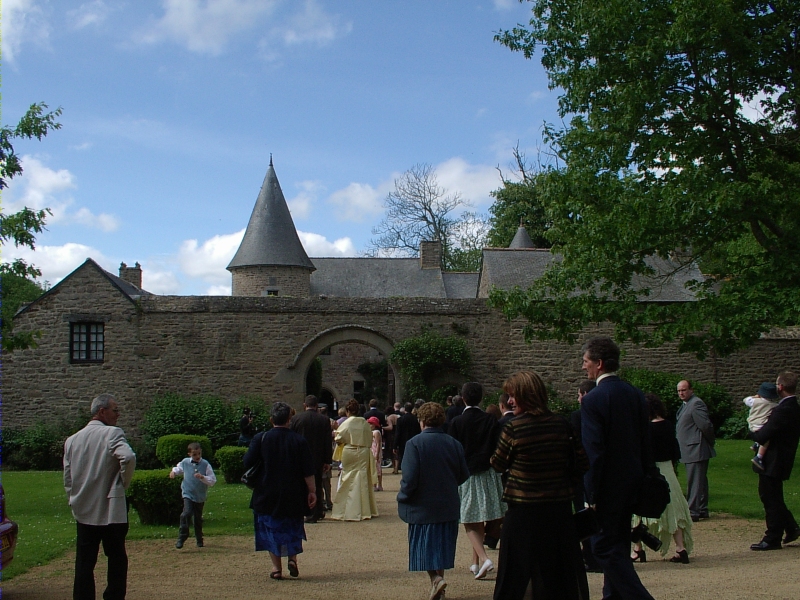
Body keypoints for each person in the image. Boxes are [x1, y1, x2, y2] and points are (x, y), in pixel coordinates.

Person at [490, 371, 589, 600]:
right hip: (557, 511)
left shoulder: (514, 428)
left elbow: (497, 463)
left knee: (513, 575)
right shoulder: (561, 425)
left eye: (513, 396)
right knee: (558, 575)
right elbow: (582, 463)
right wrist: (561, 482)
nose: (510, 401)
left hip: (523, 511)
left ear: (526, 395)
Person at [581, 336, 655, 600]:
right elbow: (645, 441)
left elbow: (594, 452)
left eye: (586, 361)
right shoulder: (634, 394)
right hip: (633, 481)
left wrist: (591, 493)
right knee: (619, 545)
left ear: (599, 363)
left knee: (602, 548)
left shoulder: (594, 399)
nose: (583, 366)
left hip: (608, 486)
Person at [63, 393, 136, 600]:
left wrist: (73, 498)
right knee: (116, 557)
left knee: (84, 562)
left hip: (83, 507)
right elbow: (128, 457)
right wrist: (122, 483)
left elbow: (68, 477)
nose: (118, 414)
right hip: (110, 509)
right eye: (115, 410)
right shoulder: (112, 434)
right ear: (102, 412)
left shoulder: (72, 440)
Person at [398, 402, 470, 600]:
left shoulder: (414, 444)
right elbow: (464, 474)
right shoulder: (454, 444)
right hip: (447, 503)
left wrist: (403, 496)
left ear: (422, 421)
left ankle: (436, 580)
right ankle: (439, 587)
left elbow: (409, 478)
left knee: (424, 547)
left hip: (422, 506)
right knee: (441, 547)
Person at [244, 401, 316, 580]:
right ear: (289, 420)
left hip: (266, 491)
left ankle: (276, 568)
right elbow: (308, 470)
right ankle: (292, 558)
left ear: (271, 420)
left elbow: (247, 462)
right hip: (293, 491)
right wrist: (312, 491)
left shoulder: (261, 439)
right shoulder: (299, 440)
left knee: (270, 529)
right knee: (293, 525)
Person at [448, 382, 506, 580]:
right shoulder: (490, 419)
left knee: (469, 520)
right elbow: (498, 446)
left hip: (467, 475)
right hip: (487, 473)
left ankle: (484, 558)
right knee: (477, 518)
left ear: (463, 398)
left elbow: (453, 451)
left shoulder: (457, 422)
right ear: (481, 398)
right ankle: (475, 562)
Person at [631, 393, 693, 564]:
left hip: (652, 471)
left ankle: (638, 549)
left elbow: (643, 452)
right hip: (668, 469)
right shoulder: (668, 425)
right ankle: (680, 548)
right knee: (674, 509)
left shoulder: (646, 429)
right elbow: (675, 450)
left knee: (639, 509)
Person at [750, 372, 800, 550]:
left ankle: (773, 537)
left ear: (781, 387)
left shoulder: (783, 410)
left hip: (775, 460)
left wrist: (752, 430)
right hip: (781, 458)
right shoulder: (793, 407)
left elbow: (763, 435)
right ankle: (791, 527)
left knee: (770, 498)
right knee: (774, 497)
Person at [571, 379, 601, 573]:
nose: (578, 399)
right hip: (600, 468)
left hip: (582, 471)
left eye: (579, 395)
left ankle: (590, 555)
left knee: (583, 513)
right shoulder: (603, 413)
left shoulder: (577, 416)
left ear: (585, 395)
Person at [331, 399, 379, 521]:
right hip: (363, 451)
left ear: (347, 411)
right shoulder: (364, 423)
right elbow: (369, 438)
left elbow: (338, 438)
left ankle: (346, 509)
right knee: (363, 479)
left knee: (347, 478)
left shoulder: (346, 424)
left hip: (350, 451)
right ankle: (365, 509)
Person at [676, 379, 716, 522]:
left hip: (696, 448)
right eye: (679, 391)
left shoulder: (696, 404)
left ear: (691, 390)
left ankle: (693, 511)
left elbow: (705, 426)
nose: (681, 393)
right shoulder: (686, 405)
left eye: (684, 390)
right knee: (699, 480)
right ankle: (702, 508)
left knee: (695, 481)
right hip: (690, 448)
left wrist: (710, 441)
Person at [290, 395, 334, 523]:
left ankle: (308, 511)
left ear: (305, 405)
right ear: (316, 406)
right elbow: (327, 441)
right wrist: (327, 460)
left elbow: (292, 439)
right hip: (317, 456)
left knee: (303, 484)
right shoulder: (324, 420)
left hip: (300, 456)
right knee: (318, 483)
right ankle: (318, 510)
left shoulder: (296, 419)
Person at [170, 442, 217, 548]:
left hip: (199, 495)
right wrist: (174, 472)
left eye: (199, 454)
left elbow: (212, 480)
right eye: (194, 454)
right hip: (188, 492)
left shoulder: (205, 464)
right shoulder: (185, 462)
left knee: (197, 519)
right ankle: (182, 537)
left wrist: (203, 477)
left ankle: (199, 539)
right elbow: (179, 468)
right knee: (186, 513)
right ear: (189, 454)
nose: (197, 456)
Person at [744, 382, 779, 471]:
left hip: (751, 425)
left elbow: (746, 400)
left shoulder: (754, 401)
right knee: (766, 441)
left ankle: (756, 444)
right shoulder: (773, 405)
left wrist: (755, 397)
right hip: (761, 426)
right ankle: (759, 457)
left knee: (760, 435)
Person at [395, 401, 422, 471]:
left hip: (402, 441)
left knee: (403, 456)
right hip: (414, 439)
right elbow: (418, 430)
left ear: (405, 409)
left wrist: (395, 445)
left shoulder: (400, 419)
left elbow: (398, 433)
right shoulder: (416, 419)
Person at [368, 416, 384, 491]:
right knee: (373, 469)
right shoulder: (370, 432)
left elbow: (378, 444)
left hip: (375, 452)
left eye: (371, 424)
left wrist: (377, 454)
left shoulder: (376, 432)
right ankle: (374, 484)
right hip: (371, 451)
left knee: (377, 469)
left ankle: (379, 485)